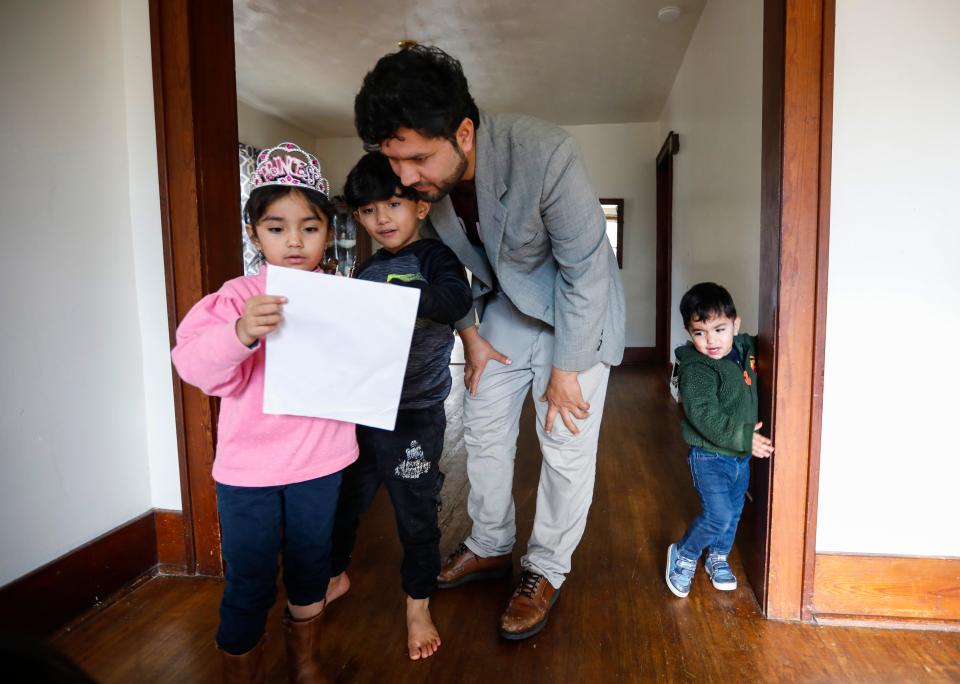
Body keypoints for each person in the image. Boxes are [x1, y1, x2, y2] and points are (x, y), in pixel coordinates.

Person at [353, 45, 626, 640]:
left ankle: (546, 566)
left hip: (577, 308)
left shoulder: (547, 153)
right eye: (394, 161)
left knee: (564, 439)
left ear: (465, 132)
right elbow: (457, 270)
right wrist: (471, 338)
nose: (406, 179)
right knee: (482, 425)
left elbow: (586, 269)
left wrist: (568, 368)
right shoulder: (426, 184)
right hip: (504, 306)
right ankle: (492, 542)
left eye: (419, 158)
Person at [171, 142, 358, 683]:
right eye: (277, 228)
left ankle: (306, 664)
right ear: (255, 234)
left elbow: (363, 369)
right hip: (247, 471)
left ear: (328, 230)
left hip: (320, 463)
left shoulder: (344, 297)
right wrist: (240, 333)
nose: (295, 241)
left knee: (310, 571)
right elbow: (194, 365)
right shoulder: (236, 299)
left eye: (310, 226)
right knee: (249, 580)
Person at [325, 152, 472, 660]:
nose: (381, 219)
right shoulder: (365, 268)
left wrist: (402, 301)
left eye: (393, 204)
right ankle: (334, 574)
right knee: (346, 500)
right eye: (368, 211)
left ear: (421, 208)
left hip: (414, 413)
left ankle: (417, 603)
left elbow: (455, 302)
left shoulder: (435, 260)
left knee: (415, 513)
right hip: (364, 409)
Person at [665, 282, 774, 598]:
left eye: (719, 329)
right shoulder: (696, 369)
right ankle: (684, 554)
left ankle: (717, 556)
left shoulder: (744, 348)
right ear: (689, 332)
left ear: (735, 325)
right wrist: (744, 437)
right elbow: (703, 416)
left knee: (735, 510)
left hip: (740, 458)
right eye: (699, 333)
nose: (711, 340)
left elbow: (764, 341)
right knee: (719, 514)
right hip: (710, 456)